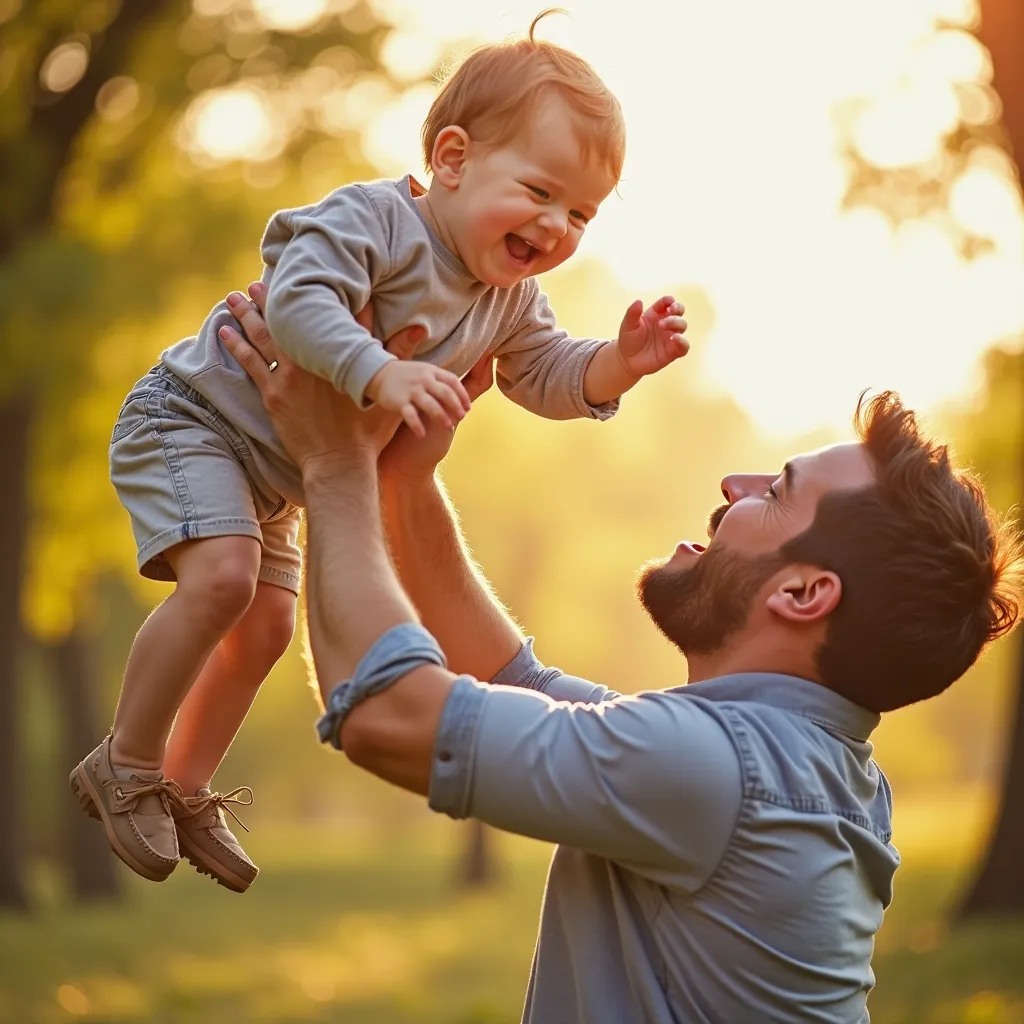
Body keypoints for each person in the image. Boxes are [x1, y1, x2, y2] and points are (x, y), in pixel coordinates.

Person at [217, 286, 1022, 1023]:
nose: (734, 484)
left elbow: (385, 715)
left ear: (805, 595)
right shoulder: (790, 760)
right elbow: (508, 681)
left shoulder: (720, 771)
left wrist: (332, 463)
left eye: (774, 492)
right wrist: (403, 477)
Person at [69, 15, 688, 891]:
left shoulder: (510, 298)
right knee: (224, 582)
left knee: (270, 628)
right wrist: (379, 374)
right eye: (541, 190)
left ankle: (182, 785)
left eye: (580, 212)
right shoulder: (378, 221)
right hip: (198, 416)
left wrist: (616, 363)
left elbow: (543, 374)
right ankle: (124, 761)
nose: (556, 225)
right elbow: (297, 298)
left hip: (277, 472)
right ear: (454, 157)